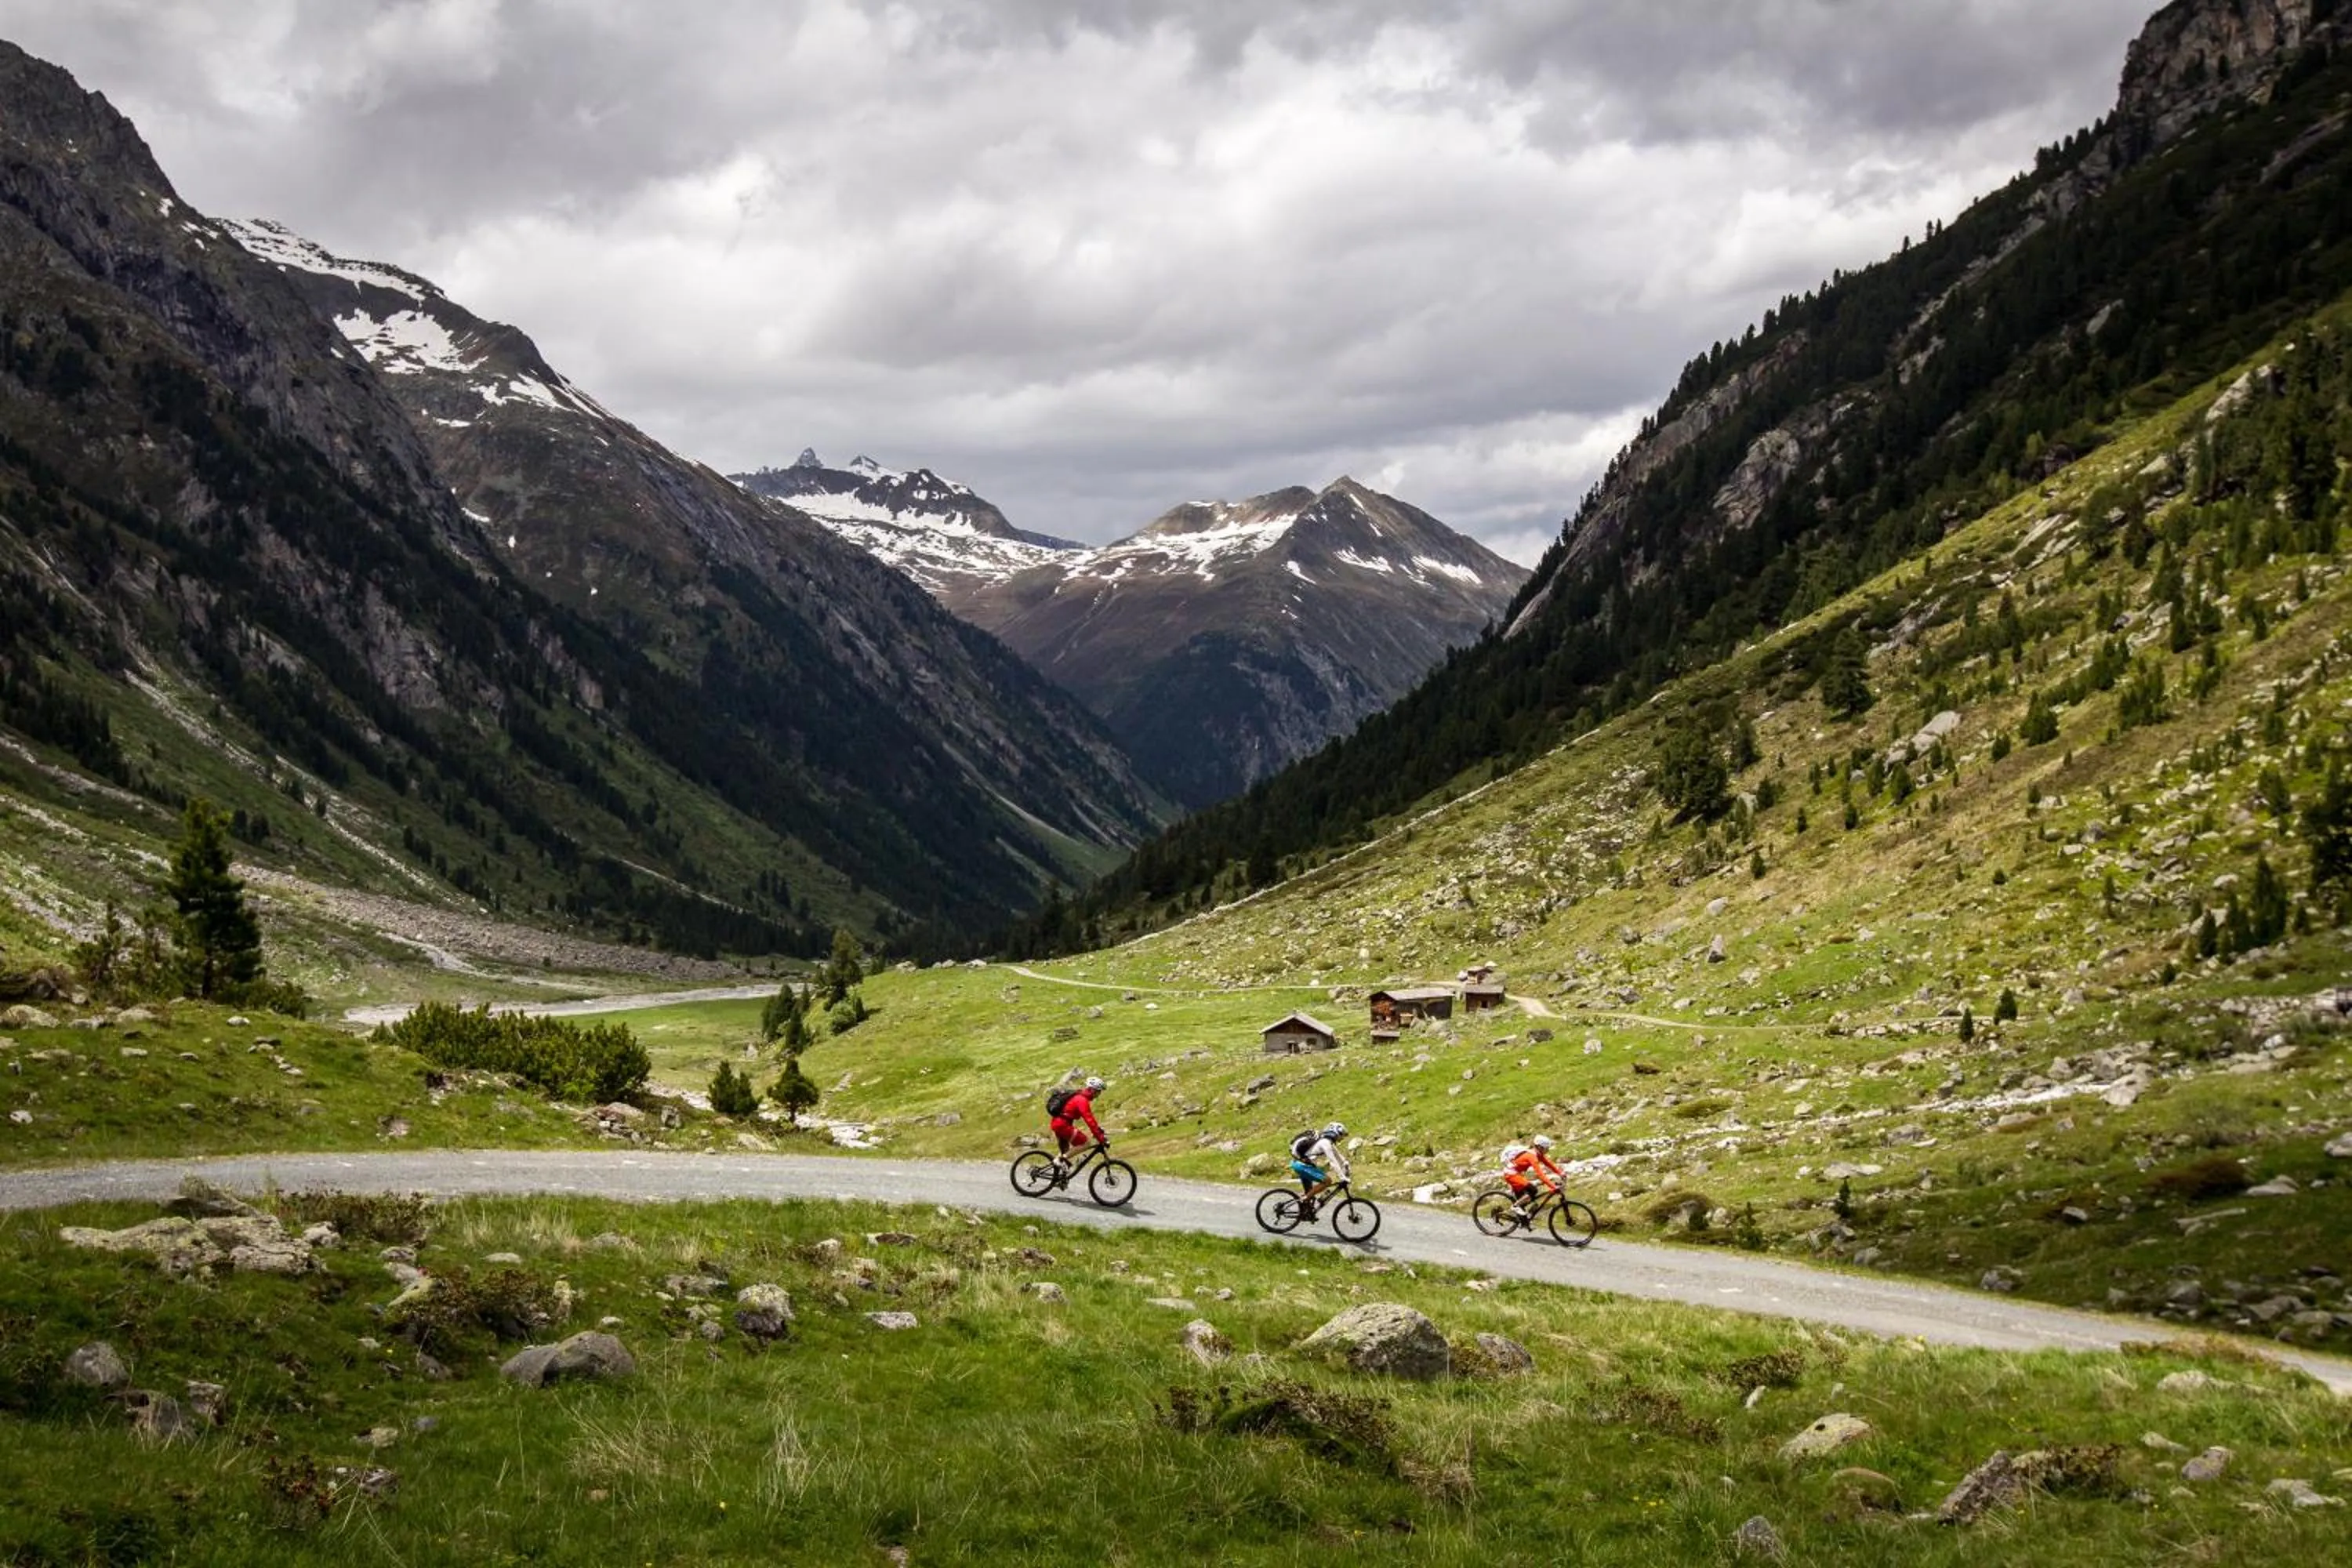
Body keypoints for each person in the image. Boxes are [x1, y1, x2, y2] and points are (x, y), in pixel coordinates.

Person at [1290, 1121, 1349, 1215]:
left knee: (1310, 1193)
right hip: (1301, 1166)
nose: (1340, 1138)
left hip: (1300, 1164)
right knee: (1327, 1181)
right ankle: (1303, 1199)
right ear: (1334, 1133)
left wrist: (1345, 1164)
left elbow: (1339, 1157)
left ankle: (1305, 1212)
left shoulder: (1327, 1142)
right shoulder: (1325, 1143)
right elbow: (1333, 1162)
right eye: (1340, 1135)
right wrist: (1342, 1177)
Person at [1050, 1076, 1107, 1174]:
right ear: (1092, 1090)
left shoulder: (1079, 1097)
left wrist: (1098, 1130)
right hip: (1062, 1125)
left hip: (1059, 1123)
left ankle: (1060, 1179)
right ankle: (1059, 1160)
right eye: (1098, 1092)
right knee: (1085, 1143)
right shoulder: (1082, 1100)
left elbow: (1091, 1122)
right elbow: (1090, 1120)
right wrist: (1101, 1138)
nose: (1098, 1095)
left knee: (1066, 1152)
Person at [1504, 1134, 1563, 1220]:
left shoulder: (1538, 1154)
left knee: (1527, 1198)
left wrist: (1561, 1173)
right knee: (1532, 1190)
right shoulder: (1532, 1156)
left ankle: (1522, 1220)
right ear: (1540, 1147)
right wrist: (1553, 1187)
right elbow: (1540, 1174)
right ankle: (1515, 1207)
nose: (1548, 1150)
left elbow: (1548, 1163)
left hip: (1517, 1174)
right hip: (1511, 1174)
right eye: (1547, 1148)